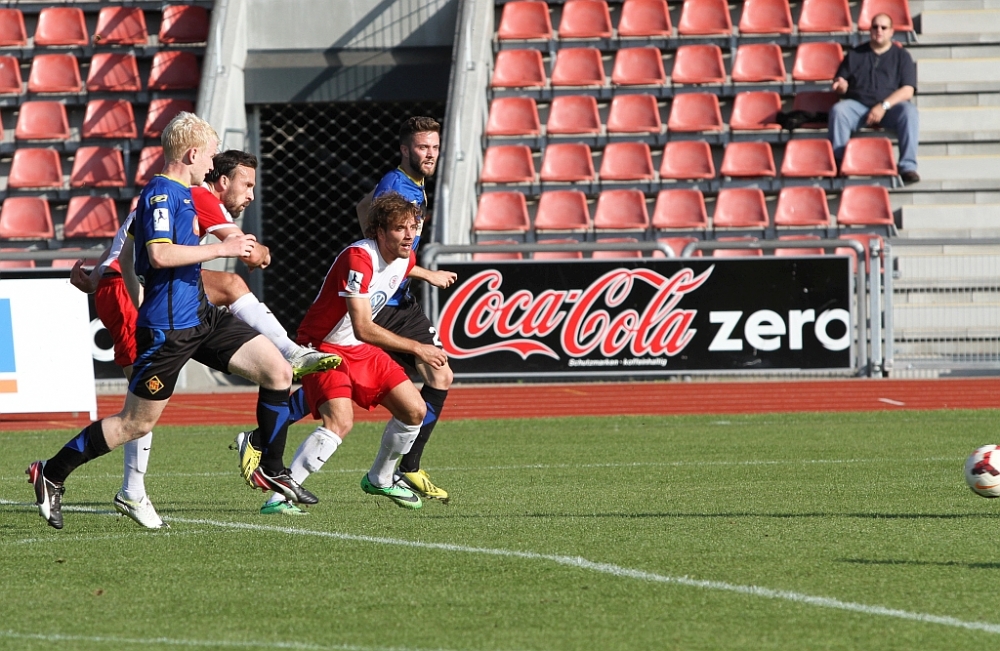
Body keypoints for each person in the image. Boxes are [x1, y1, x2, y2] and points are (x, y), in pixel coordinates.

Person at [27, 112, 316, 529]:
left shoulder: (183, 193)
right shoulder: (162, 194)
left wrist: (124, 289)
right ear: (193, 154)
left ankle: (271, 467)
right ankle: (51, 473)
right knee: (135, 422)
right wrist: (220, 250)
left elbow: (129, 248)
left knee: (278, 370)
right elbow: (159, 254)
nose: (212, 164)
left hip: (199, 315)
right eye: (211, 156)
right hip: (169, 329)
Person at [248, 191, 448, 514]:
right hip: (323, 345)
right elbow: (363, 327)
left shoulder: (405, 255)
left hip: (358, 348)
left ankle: (380, 478)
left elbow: (404, 268)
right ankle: (279, 497)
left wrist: (429, 274)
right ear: (379, 232)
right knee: (340, 421)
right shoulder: (358, 258)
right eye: (400, 228)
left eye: (412, 227)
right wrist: (417, 347)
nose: (409, 235)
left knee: (415, 410)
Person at [346, 116, 457, 503]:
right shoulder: (398, 186)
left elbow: (364, 207)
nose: (430, 154)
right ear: (405, 149)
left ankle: (409, 466)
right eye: (423, 147)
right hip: (383, 303)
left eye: (435, 147)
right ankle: (261, 439)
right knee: (334, 386)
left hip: (401, 299)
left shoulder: (411, 184)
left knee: (440, 375)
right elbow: (379, 241)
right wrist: (424, 273)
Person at [828, 12, 920, 185]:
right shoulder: (855, 54)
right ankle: (839, 163)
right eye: (875, 27)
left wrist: (883, 106)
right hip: (859, 107)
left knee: (910, 112)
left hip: (890, 109)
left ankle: (907, 166)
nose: (879, 31)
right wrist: (841, 86)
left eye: (884, 27)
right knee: (839, 111)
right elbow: (842, 83)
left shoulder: (902, 56)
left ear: (891, 31)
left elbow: (907, 90)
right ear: (870, 30)